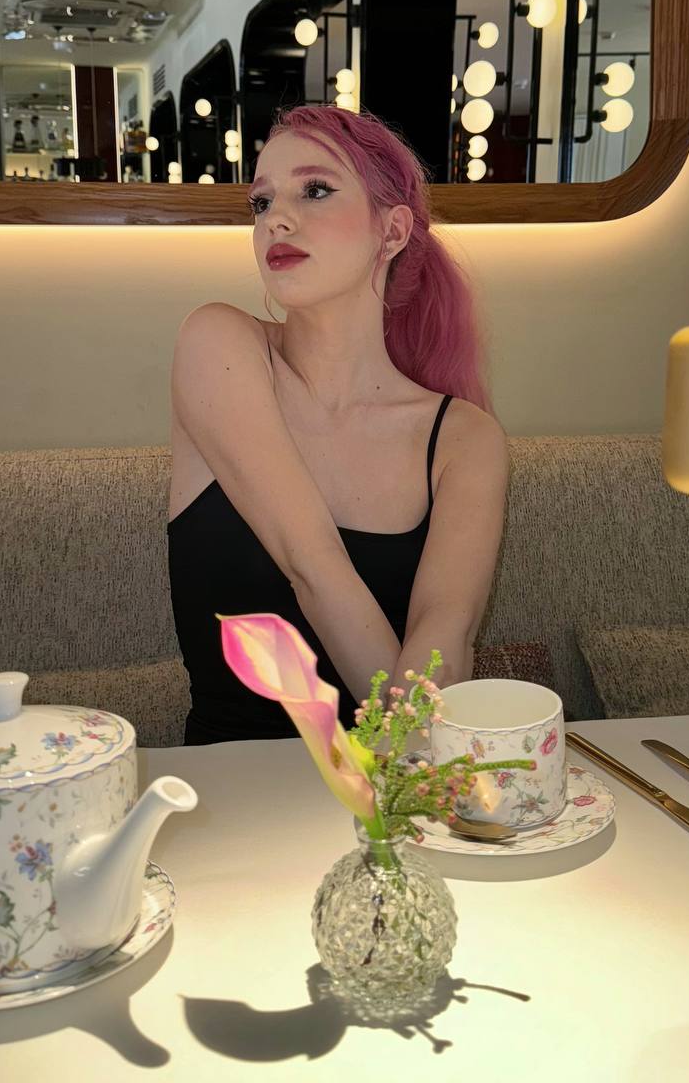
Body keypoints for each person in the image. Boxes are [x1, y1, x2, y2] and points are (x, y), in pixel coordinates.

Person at [167, 104, 509, 745]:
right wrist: (420, 761)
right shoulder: (218, 343)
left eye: (315, 190)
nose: (276, 220)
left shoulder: (464, 439)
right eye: (261, 203)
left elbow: (445, 634)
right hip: (231, 787)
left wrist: (409, 783)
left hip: (395, 784)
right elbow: (313, 568)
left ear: (393, 230)